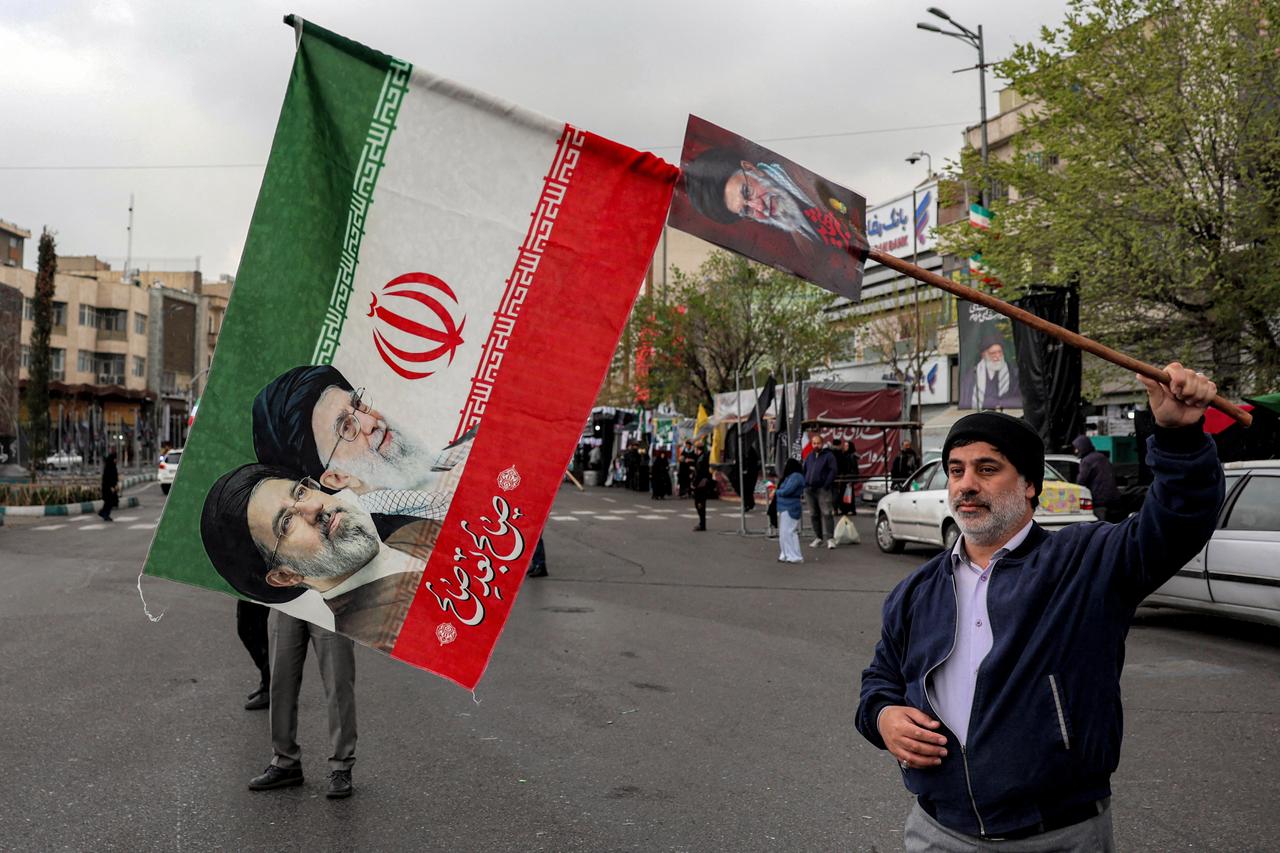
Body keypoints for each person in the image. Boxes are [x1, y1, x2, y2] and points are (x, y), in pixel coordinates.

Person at [854, 363, 1224, 850]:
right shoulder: (916, 591)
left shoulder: (1085, 564)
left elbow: (1178, 520)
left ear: (1030, 485)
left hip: (1057, 834)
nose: (966, 484)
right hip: (937, 831)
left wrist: (1177, 436)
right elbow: (879, 680)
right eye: (956, 470)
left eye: (988, 469)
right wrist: (883, 717)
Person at [200, 464, 434, 652]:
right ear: (284, 575)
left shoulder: (414, 530)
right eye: (287, 522)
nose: (315, 506)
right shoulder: (384, 629)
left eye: (301, 492)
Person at [253, 365, 472, 521]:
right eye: (346, 428)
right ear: (337, 478)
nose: (371, 421)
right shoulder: (396, 540)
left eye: (358, 404)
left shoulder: (454, 453)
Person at [247, 611, 356, 799]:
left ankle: (342, 765)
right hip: (286, 596)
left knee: (338, 683)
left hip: (330, 599)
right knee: (280, 681)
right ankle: (285, 761)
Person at [959, 336, 1021, 410]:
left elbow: (1019, 398)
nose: (997, 356)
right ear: (983, 355)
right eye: (993, 353)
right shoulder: (972, 375)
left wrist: (1000, 403)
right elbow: (967, 401)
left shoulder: (1013, 373)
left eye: (999, 352)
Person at [1073, 434, 1122, 521]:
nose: (1076, 451)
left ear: (1082, 447)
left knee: (1101, 528)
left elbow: (1081, 481)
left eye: (1077, 448)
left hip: (1098, 501)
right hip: (1114, 499)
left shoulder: (1086, 461)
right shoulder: (1102, 457)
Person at [802, 433, 837, 549]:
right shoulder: (809, 456)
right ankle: (818, 538)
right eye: (814, 443)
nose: (816, 445)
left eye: (818, 443)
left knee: (827, 513)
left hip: (823, 489)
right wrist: (805, 483)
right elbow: (805, 469)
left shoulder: (828, 456)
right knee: (813, 514)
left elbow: (833, 471)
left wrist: (826, 484)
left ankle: (830, 539)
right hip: (809, 489)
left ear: (822, 444)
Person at [237, 600, 271, 711]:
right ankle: (267, 684)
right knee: (246, 630)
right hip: (249, 587)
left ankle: (269, 688)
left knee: (258, 632)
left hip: (262, 589)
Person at [774, 459, 806, 563]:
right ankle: (786, 553)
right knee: (785, 532)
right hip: (786, 506)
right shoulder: (794, 476)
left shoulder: (795, 476)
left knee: (789, 531)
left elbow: (788, 491)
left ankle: (794, 555)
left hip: (790, 507)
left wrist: (776, 492)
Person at [830, 437, 859, 517]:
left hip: (848, 478)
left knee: (849, 494)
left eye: (846, 446)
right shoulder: (844, 455)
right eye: (844, 445)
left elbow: (853, 469)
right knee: (844, 494)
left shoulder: (851, 456)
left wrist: (851, 479)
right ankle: (845, 510)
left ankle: (851, 510)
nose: (844, 447)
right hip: (844, 478)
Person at [692, 440, 713, 532]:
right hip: (703, 482)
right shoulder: (703, 456)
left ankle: (702, 524)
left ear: (697, 449)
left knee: (699, 504)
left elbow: (700, 473)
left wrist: (694, 483)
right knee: (700, 504)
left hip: (701, 484)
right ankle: (702, 523)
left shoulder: (702, 458)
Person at [740, 441, 761, 511]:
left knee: (748, 489)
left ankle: (748, 504)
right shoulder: (747, 450)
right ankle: (749, 504)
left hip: (750, 472)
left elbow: (755, 461)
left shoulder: (748, 451)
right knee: (748, 489)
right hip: (749, 472)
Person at [98, 452, 119, 521]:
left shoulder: (113, 466)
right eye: (115, 459)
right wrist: (111, 487)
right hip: (108, 488)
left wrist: (116, 485)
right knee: (108, 502)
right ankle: (105, 514)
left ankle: (103, 512)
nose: (116, 460)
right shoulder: (108, 467)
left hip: (112, 487)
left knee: (109, 502)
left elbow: (115, 477)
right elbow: (107, 479)